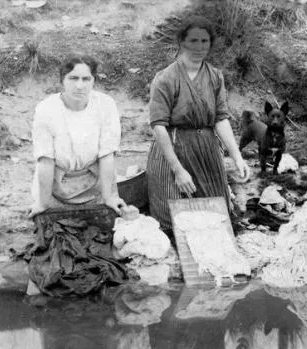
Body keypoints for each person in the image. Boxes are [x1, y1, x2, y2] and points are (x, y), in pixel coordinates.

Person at [147, 15, 251, 234]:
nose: (199, 47)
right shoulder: (166, 78)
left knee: (216, 215)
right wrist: (178, 170)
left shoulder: (215, 77)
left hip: (205, 148)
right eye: (193, 41)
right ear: (182, 42)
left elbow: (220, 118)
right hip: (173, 148)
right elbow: (158, 126)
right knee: (174, 220)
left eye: (204, 41)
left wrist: (237, 156)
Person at [28, 54, 127, 218]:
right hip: (56, 184)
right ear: (62, 80)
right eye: (73, 78)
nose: (80, 86)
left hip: (95, 182)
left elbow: (107, 155)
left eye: (86, 79)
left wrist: (110, 197)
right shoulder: (46, 109)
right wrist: (42, 204)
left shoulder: (105, 105)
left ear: (93, 80)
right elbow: (45, 161)